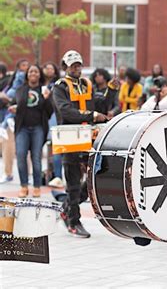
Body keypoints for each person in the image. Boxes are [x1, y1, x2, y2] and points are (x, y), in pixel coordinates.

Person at [52, 50, 107, 238]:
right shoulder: (60, 87)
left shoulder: (86, 84)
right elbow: (65, 111)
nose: (76, 68)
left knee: (93, 178)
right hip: (70, 137)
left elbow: (101, 105)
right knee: (73, 181)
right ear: (65, 67)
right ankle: (73, 221)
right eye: (72, 65)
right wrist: (92, 116)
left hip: (88, 136)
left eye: (78, 65)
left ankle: (67, 209)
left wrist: (112, 91)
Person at [10, 64, 53, 198]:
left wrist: (47, 99)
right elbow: (14, 104)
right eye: (30, 72)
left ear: (39, 74)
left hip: (38, 128)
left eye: (35, 71)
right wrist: (13, 109)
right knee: (21, 156)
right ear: (27, 75)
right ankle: (23, 186)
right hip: (22, 128)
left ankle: (36, 186)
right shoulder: (21, 90)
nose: (33, 73)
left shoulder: (44, 90)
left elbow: (50, 112)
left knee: (36, 158)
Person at [42, 62, 64, 188]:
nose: (48, 70)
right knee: (49, 149)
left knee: (56, 148)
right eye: (46, 67)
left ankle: (58, 176)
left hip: (54, 119)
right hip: (42, 119)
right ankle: (50, 175)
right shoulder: (39, 84)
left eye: (51, 68)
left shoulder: (58, 85)